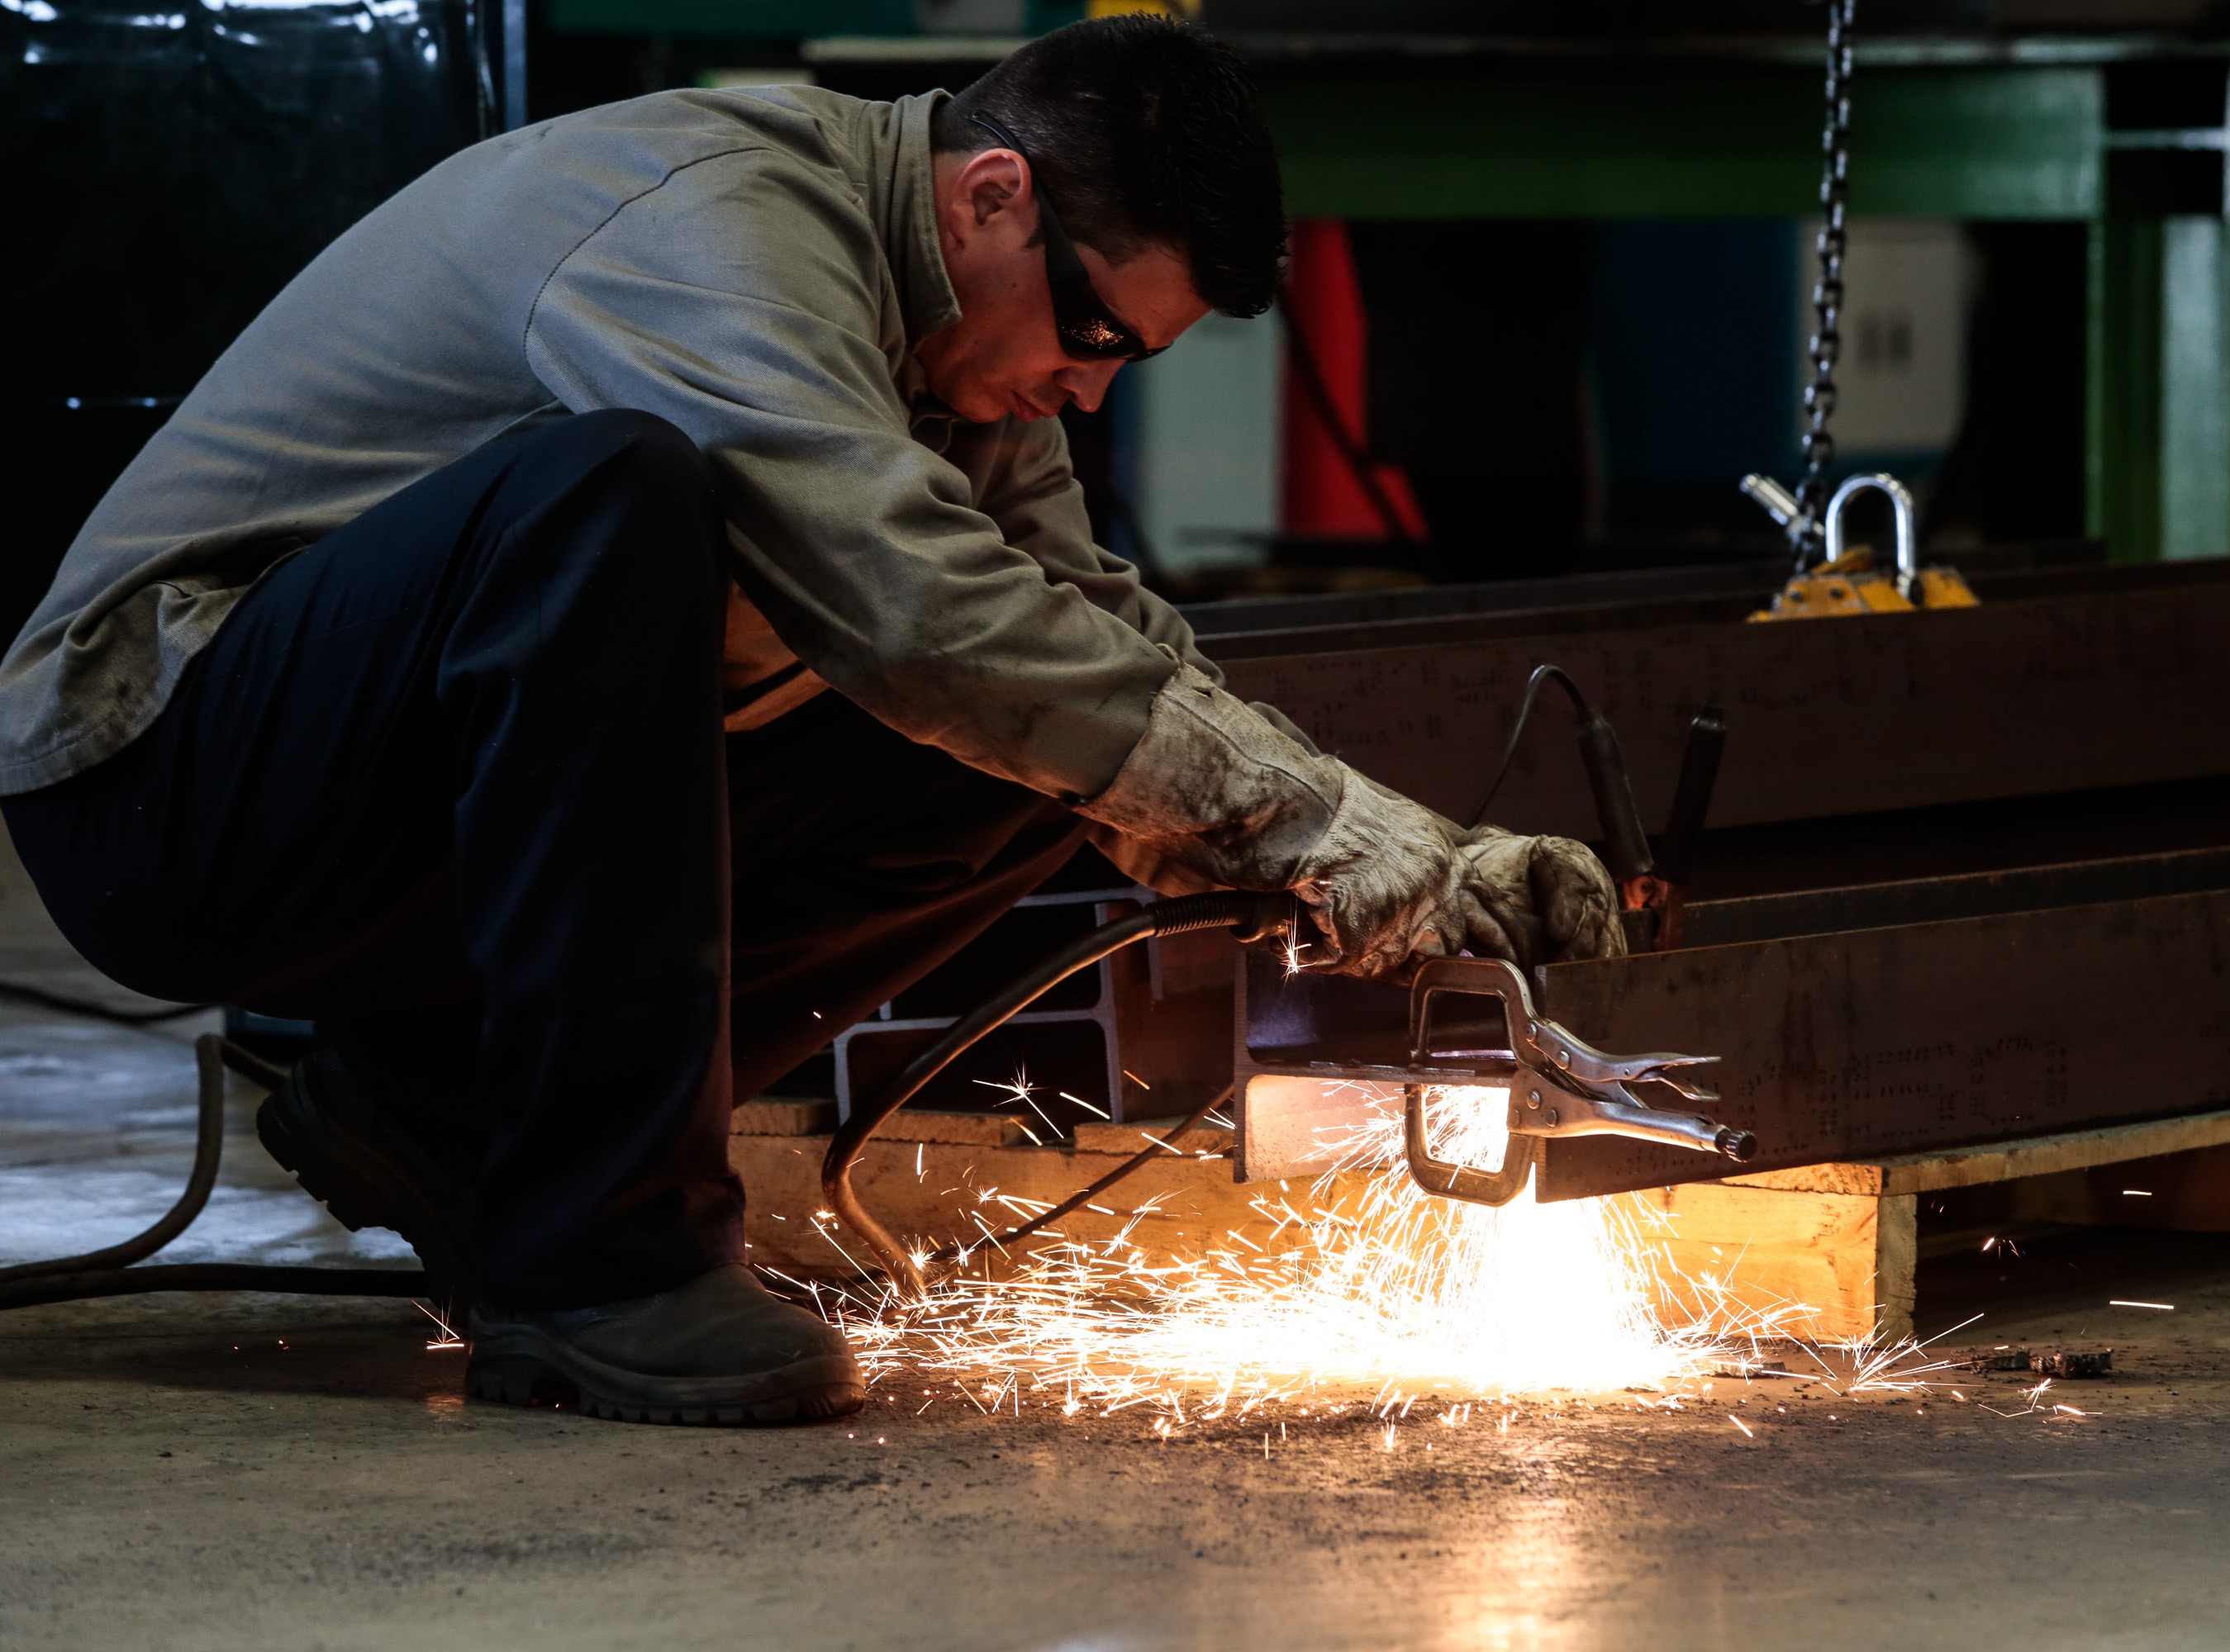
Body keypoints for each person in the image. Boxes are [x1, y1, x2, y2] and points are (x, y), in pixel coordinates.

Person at [0, 17, 1623, 1425]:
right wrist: (1325, 825)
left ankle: (449, 1109)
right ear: (994, 199)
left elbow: (1094, 647)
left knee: (1043, 739)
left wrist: (1406, 856)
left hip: (382, 821)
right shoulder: (721, 225)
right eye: (1099, 337)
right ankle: (602, 1270)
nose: (1090, 391)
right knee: (616, 498)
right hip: (163, 781)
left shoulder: (954, 342)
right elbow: (911, 605)